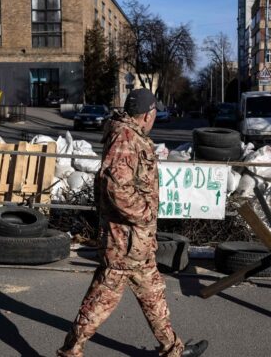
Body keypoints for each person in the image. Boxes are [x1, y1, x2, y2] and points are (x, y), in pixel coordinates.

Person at [58, 89, 208, 357]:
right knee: (101, 300)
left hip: (136, 242)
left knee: (153, 294)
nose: (154, 119)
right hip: (124, 243)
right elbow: (116, 187)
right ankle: (71, 351)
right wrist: (145, 214)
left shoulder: (131, 136)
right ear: (148, 114)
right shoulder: (126, 138)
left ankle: (173, 349)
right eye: (154, 114)